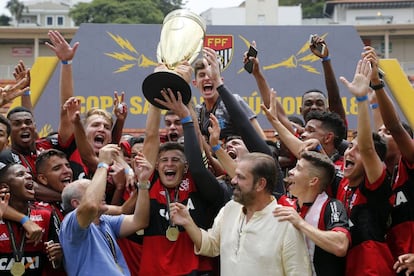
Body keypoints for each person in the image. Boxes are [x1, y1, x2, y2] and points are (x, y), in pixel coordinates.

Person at [170, 152, 311, 275]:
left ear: (260, 184)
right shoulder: (231, 208)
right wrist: (188, 221)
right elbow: (212, 245)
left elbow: (299, 272)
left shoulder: (286, 223)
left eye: (240, 177)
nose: (233, 180)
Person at [337, 58, 394, 275]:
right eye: (349, 147)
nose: (349, 152)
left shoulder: (375, 184)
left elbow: (368, 149)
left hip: (375, 269)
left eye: (356, 149)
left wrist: (362, 98)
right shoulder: (342, 183)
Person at [59, 144, 150, 275]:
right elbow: (90, 205)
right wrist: (102, 165)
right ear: (76, 204)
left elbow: (140, 221)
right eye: (93, 190)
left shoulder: (104, 221)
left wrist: (143, 182)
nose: (101, 193)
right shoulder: (71, 224)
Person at [364, 46, 414, 273]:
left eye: (387, 133)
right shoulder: (378, 175)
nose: (382, 133)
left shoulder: (409, 163)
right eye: (380, 132)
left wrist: (376, 82)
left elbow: (394, 125)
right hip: (392, 266)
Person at [274, 151, 350, 275]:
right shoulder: (286, 204)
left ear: (313, 181)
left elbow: (340, 245)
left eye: (298, 168)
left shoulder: (332, 206)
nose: (291, 172)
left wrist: (300, 223)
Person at [0, 162, 63, 274]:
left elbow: (56, 265)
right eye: (20, 174)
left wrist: (59, 257)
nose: (29, 176)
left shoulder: (46, 214)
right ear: (4, 187)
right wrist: (25, 220)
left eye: (29, 173)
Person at [192, 54, 266, 141]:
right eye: (202, 75)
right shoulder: (198, 112)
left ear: (220, 80)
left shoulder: (234, 102)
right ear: (195, 83)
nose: (207, 78)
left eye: (211, 74)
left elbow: (262, 139)